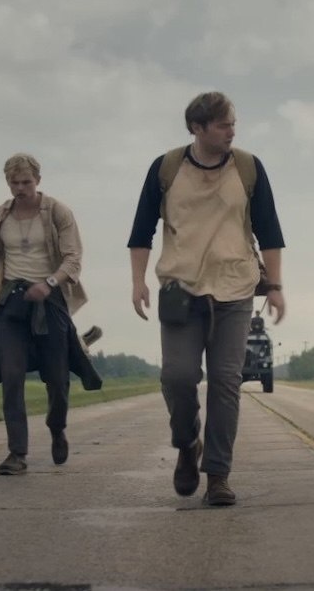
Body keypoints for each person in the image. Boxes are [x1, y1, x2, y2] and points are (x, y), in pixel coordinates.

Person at [128, 91, 286, 507]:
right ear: (197, 128)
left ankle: (218, 475)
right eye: (223, 125)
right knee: (177, 377)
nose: (232, 131)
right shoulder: (166, 168)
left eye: (233, 123)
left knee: (226, 381)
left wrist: (275, 286)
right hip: (180, 289)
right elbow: (141, 230)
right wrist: (138, 282)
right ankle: (186, 444)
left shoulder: (248, 168)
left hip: (234, 289)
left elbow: (270, 231)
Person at [0, 153, 90, 476]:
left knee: (58, 379)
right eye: (14, 183)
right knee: (11, 375)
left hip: (50, 301)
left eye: (26, 182)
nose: (20, 188)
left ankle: (57, 427)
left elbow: (73, 259)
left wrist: (49, 283)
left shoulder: (58, 212)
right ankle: (17, 452)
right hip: (12, 301)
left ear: (38, 181)